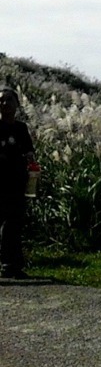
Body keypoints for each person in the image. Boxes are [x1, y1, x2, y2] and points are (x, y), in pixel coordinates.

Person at [0, 88, 35, 279]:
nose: (5, 104)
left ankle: (11, 266)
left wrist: (30, 160)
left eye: (9, 100)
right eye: (1, 100)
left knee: (14, 224)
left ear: (17, 104)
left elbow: (29, 150)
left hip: (17, 182)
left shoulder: (21, 128)